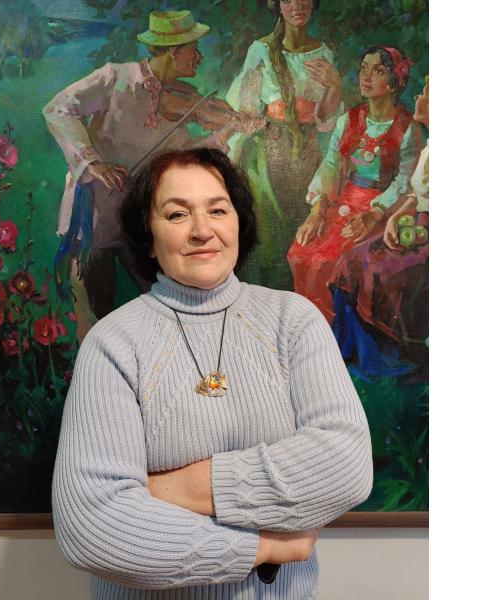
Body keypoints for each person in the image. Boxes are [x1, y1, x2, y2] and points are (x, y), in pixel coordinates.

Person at [52, 147, 373, 599]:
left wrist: (169, 488)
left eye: (218, 210)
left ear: (238, 222)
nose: (203, 230)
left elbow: (347, 468)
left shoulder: (294, 320)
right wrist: (263, 548)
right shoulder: (112, 343)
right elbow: (91, 529)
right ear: (148, 237)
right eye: (177, 214)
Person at [43, 10, 261, 341]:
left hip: (139, 214)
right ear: (173, 51)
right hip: (96, 211)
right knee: (95, 307)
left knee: (168, 301)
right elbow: (57, 109)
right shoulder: (115, 78)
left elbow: (182, 155)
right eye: (194, 50)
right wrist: (93, 163)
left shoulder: (182, 100)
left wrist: (229, 129)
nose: (199, 57)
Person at [287, 45, 423, 322]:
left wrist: (375, 214)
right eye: (364, 69)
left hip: (383, 208)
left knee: (329, 262)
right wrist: (317, 209)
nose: (366, 76)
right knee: (300, 254)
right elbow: (331, 164)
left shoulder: (408, 128)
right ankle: (309, 329)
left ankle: (337, 332)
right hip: (343, 200)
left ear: (393, 82)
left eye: (378, 71)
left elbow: (404, 181)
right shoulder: (348, 120)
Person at [225, 0, 343, 290]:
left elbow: (326, 122)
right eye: (287, 0)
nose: (297, 6)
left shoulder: (323, 54)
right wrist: (234, 152)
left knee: (301, 230)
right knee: (267, 235)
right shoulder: (261, 50)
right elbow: (244, 108)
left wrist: (335, 87)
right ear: (277, 6)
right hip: (268, 150)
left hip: (306, 152)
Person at [328, 78, 429, 377]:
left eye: (427, 93)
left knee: (377, 269)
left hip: (427, 233)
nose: (419, 98)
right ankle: (344, 352)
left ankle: (385, 360)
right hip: (415, 222)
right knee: (349, 261)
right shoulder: (431, 147)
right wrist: (397, 218)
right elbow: (416, 194)